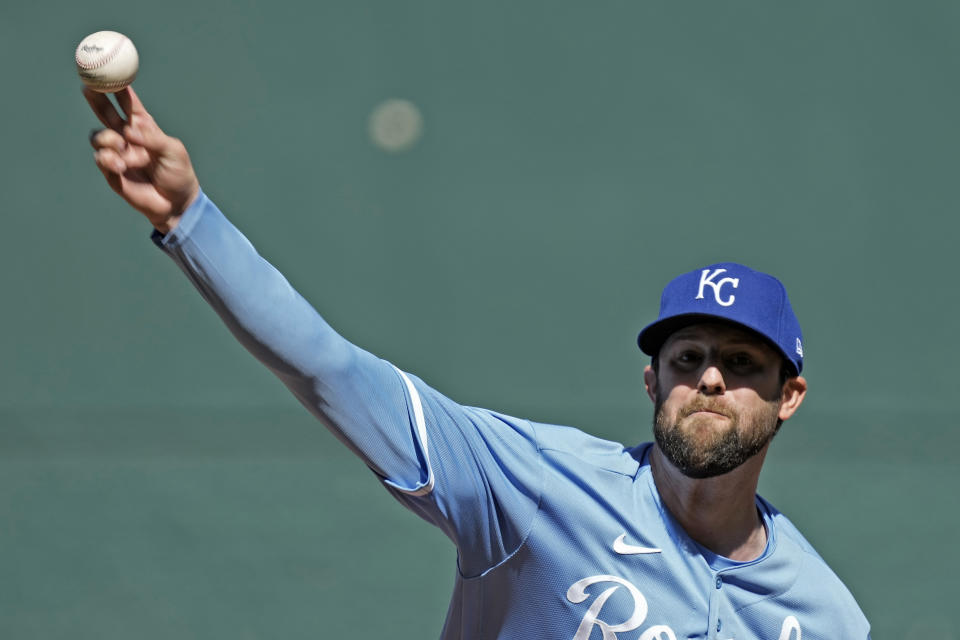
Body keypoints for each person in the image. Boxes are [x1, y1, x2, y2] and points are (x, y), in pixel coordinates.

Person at [84, 86, 871, 639]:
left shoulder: (826, 617)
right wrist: (192, 221)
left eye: (741, 363)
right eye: (687, 356)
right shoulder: (534, 484)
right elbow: (328, 369)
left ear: (789, 396)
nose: (708, 378)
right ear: (651, 381)